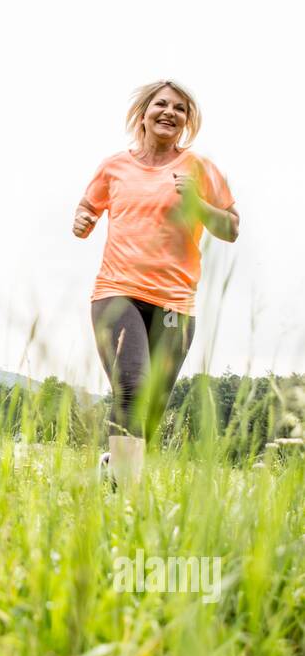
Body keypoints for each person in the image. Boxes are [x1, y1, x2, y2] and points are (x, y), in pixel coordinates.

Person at [73, 80, 239, 488]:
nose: (170, 112)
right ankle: (124, 495)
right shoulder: (115, 166)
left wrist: (198, 205)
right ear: (143, 113)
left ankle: (114, 465)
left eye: (180, 108)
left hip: (176, 304)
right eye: (161, 104)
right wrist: (82, 220)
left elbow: (232, 228)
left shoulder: (199, 168)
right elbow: (87, 206)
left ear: (187, 120)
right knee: (132, 388)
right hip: (117, 291)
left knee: (148, 408)